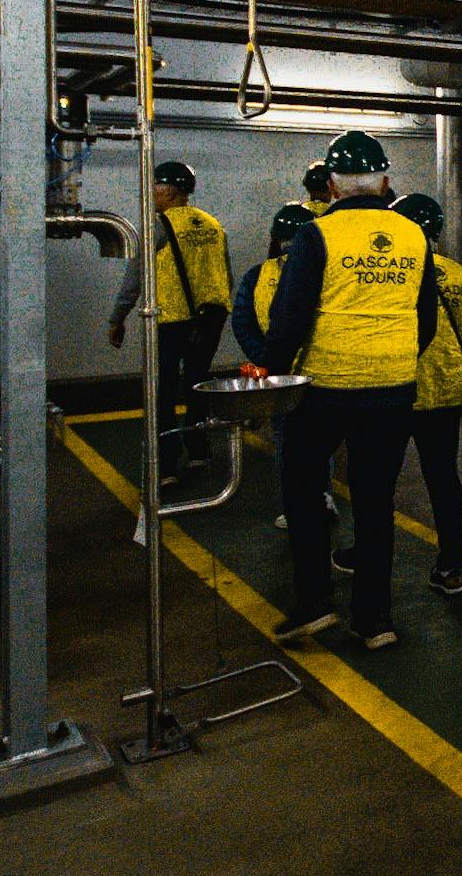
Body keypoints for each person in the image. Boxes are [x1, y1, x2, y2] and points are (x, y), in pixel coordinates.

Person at [247, 130, 440, 649]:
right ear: (384, 182)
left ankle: (314, 605)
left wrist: (267, 375)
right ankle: (375, 619)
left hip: (325, 388)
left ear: (331, 185)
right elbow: (426, 323)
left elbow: (288, 320)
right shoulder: (414, 237)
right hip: (393, 388)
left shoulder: (315, 236)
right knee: (377, 502)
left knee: (305, 491)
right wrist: (392, 357)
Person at [373, 191, 462, 594]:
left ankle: (368, 556)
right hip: (446, 391)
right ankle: (451, 568)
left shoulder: (394, 272)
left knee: (378, 482)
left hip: (398, 388)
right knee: (444, 480)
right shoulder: (458, 273)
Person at [110, 159, 232, 467]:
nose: (151, 192)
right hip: (210, 318)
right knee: (198, 384)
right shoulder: (212, 224)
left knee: (162, 391)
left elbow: (134, 278)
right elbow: (225, 275)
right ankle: (199, 451)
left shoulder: (156, 227)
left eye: (156, 186)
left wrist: (117, 318)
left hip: (171, 319)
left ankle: (166, 461)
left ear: (172, 191)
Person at [233, 204, 335, 535]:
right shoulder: (327, 270)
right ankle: (323, 497)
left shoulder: (257, 274)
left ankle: (293, 506)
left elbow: (243, 320)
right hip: (317, 369)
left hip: (276, 372)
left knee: (284, 437)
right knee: (322, 438)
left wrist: (264, 359)